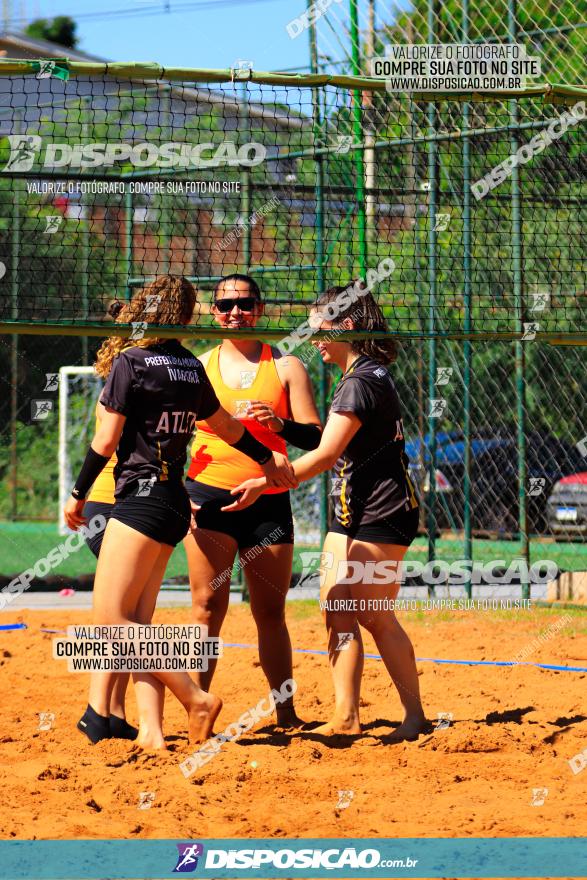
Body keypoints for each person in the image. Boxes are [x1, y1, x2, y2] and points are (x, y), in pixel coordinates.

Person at [64, 275, 295, 749]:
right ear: (190, 315)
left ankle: (195, 697)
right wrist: (266, 458)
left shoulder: (132, 361)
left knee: (111, 621)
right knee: (136, 622)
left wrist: (77, 492)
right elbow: (228, 428)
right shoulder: (192, 365)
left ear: (144, 310)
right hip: (174, 501)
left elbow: (105, 442)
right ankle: (147, 731)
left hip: (141, 500)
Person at [227, 284, 427, 741]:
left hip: (383, 510)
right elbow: (325, 442)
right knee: (336, 606)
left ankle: (414, 716)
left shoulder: (361, 380)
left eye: (319, 325)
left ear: (347, 325)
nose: (313, 335)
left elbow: (322, 457)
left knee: (374, 613)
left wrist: (265, 481)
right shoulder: (359, 375)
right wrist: (282, 427)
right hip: (350, 509)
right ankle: (347, 716)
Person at [184, 273, 321, 729]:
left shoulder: (286, 367)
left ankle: (286, 713)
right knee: (207, 609)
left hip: (269, 501)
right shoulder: (198, 367)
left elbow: (318, 438)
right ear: (212, 312)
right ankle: (197, 711)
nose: (235, 313)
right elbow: (172, 435)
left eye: (244, 304)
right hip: (209, 500)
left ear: (260, 309)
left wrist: (280, 426)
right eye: (225, 306)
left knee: (270, 612)